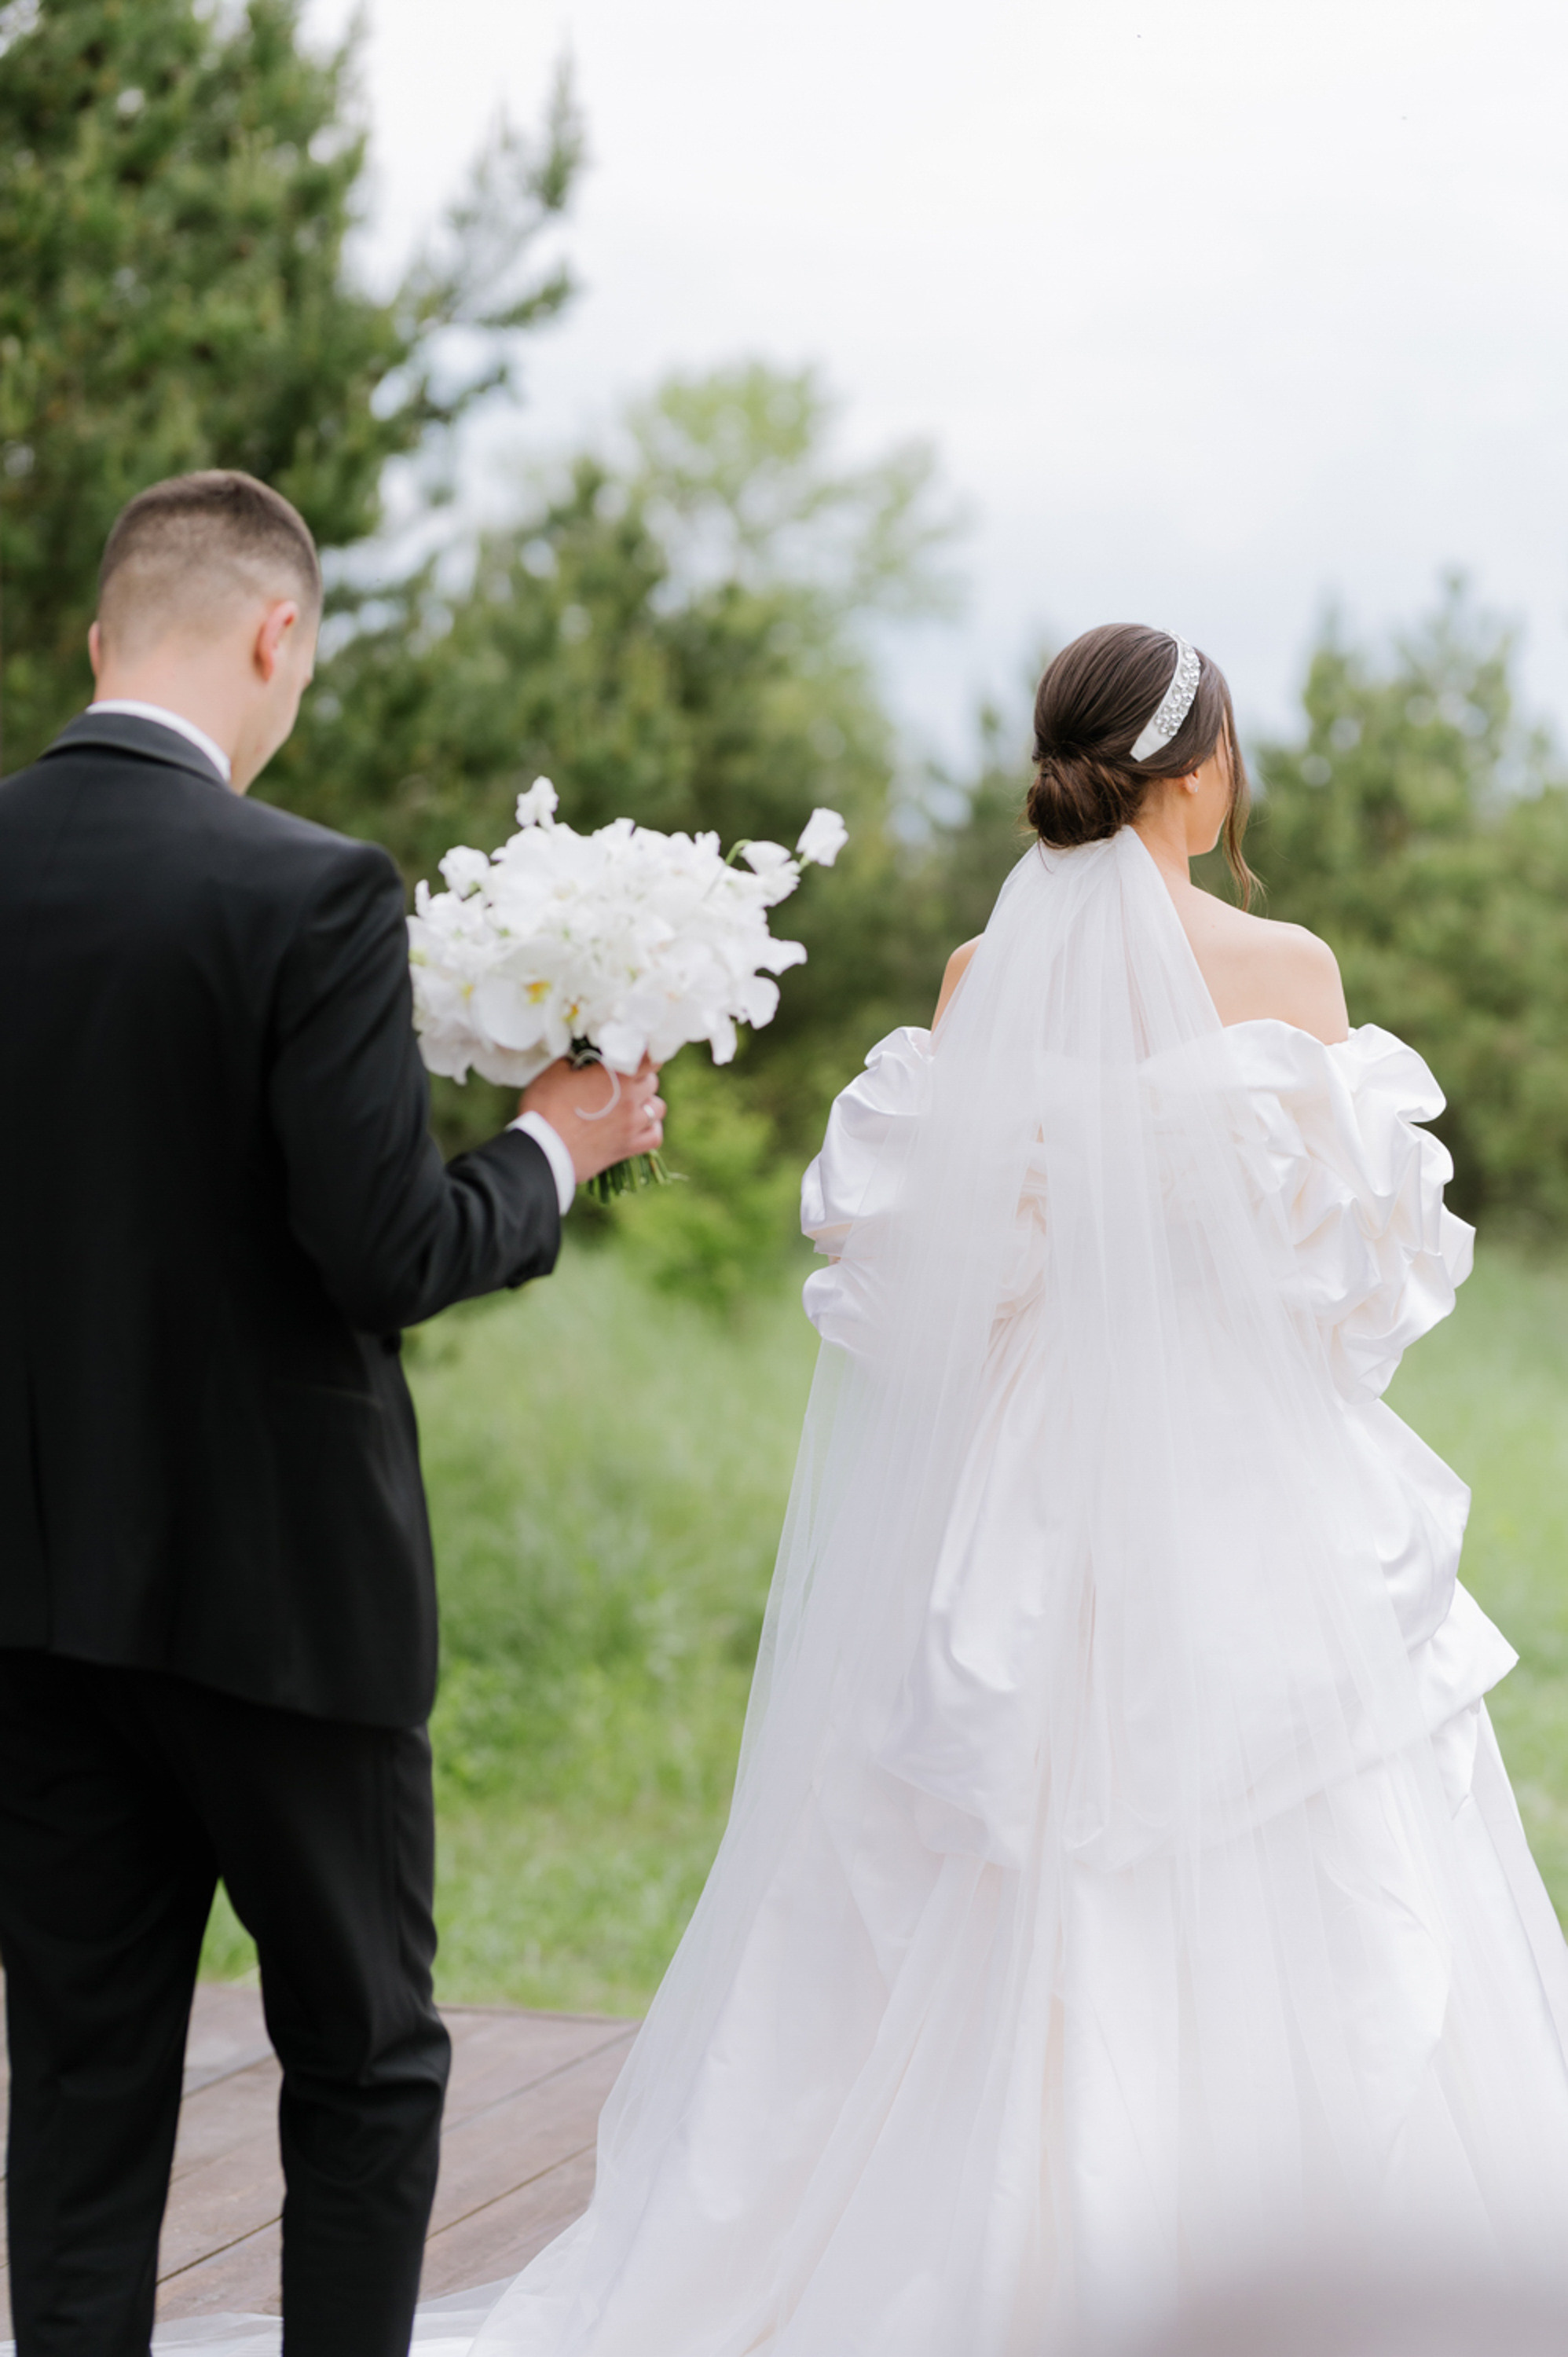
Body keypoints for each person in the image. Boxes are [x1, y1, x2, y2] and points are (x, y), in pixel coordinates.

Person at [439, 625, 1568, 2355]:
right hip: (1252, 1485)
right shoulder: (1287, 974)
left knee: (1001, 1823)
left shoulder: (980, 981)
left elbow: (931, 1296)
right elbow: (1361, 1303)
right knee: (1319, 1840)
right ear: (1202, 771)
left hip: (1032, 1487)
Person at [0, 470, 664, 2357]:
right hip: (285, 1607)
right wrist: (554, 1143)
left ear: (100, 635)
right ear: (275, 635)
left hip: (32, 1602)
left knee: (78, 2076)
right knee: (360, 2061)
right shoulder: (308, 887)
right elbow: (382, 1248)